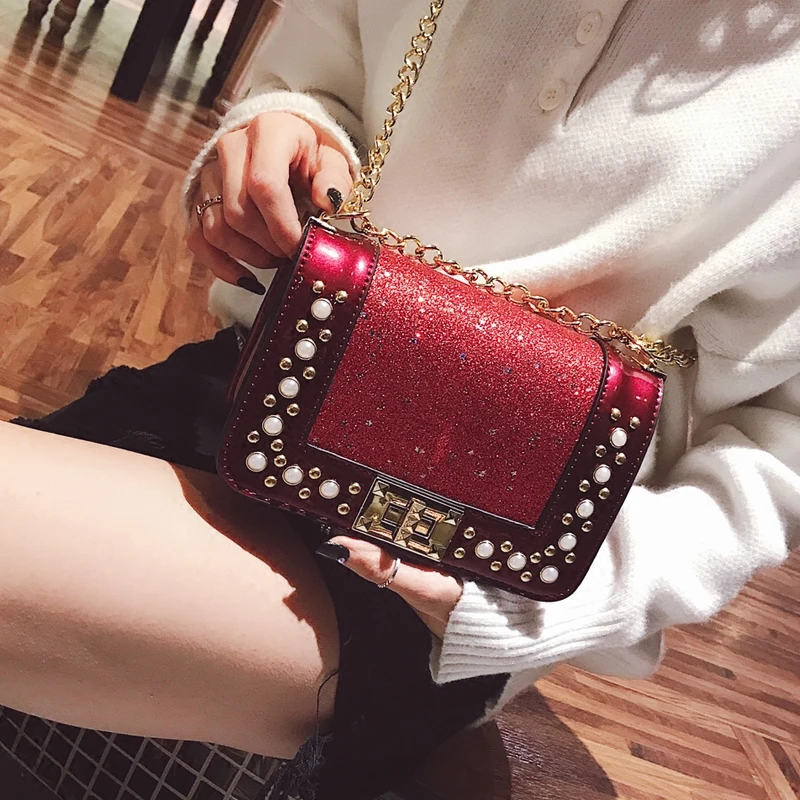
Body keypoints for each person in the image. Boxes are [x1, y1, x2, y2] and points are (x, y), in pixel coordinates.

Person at [3, 1, 799, 798]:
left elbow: (776, 444)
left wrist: (559, 596)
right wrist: (283, 134)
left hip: (463, 564)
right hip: (251, 390)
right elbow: (322, 73)